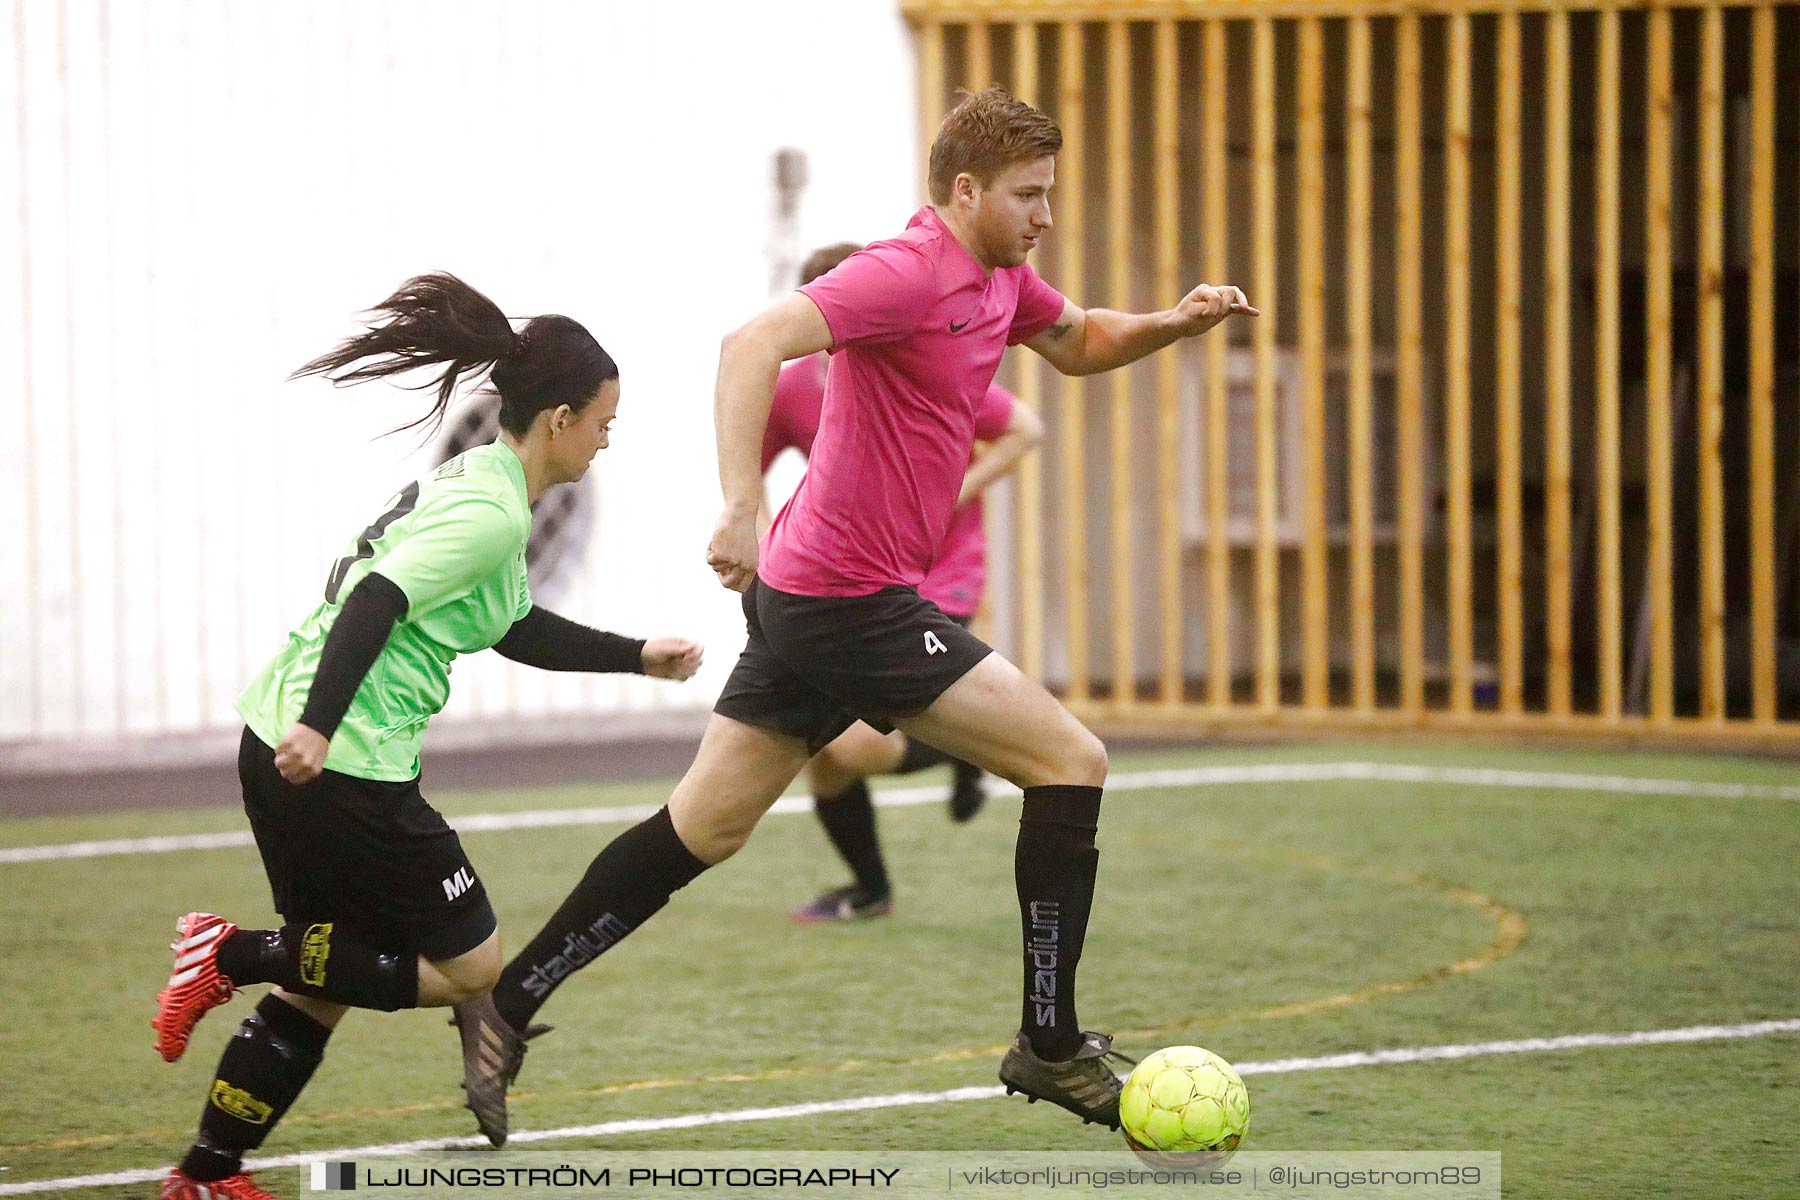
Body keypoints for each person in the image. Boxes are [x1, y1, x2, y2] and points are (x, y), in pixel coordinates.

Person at [458, 86, 1256, 1144]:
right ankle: (1049, 1044)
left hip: (812, 597)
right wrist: (739, 505)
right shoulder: (908, 269)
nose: (1046, 216)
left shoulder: (1000, 276)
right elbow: (749, 344)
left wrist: (1177, 321)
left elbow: (1080, 342)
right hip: (847, 599)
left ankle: (502, 1008)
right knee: (1071, 760)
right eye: (1029, 196)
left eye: (1049, 195)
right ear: (965, 189)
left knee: (704, 827)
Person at [150, 274, 704, 1199]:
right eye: (606, 422)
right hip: (343, 761)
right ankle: (226, 953)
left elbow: (513, 626)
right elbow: (377, 598)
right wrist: (322, 729)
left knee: (323, 976)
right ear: (561, 418)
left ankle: (207, 1172)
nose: (609, 440)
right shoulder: (492, 513)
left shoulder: (483, 483)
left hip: (287, 739)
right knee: (468, 964)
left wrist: (637, 656)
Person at [770, 241, 1045, 922]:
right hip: (860, 574)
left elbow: (1024, 430)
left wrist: (955, 489)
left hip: (941, 571)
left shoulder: (924, 358)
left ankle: (972, 743)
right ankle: (870, 890)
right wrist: (745, 528)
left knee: (855, 742)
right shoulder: (797, 387)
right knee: (827, 754)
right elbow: (754, 459)